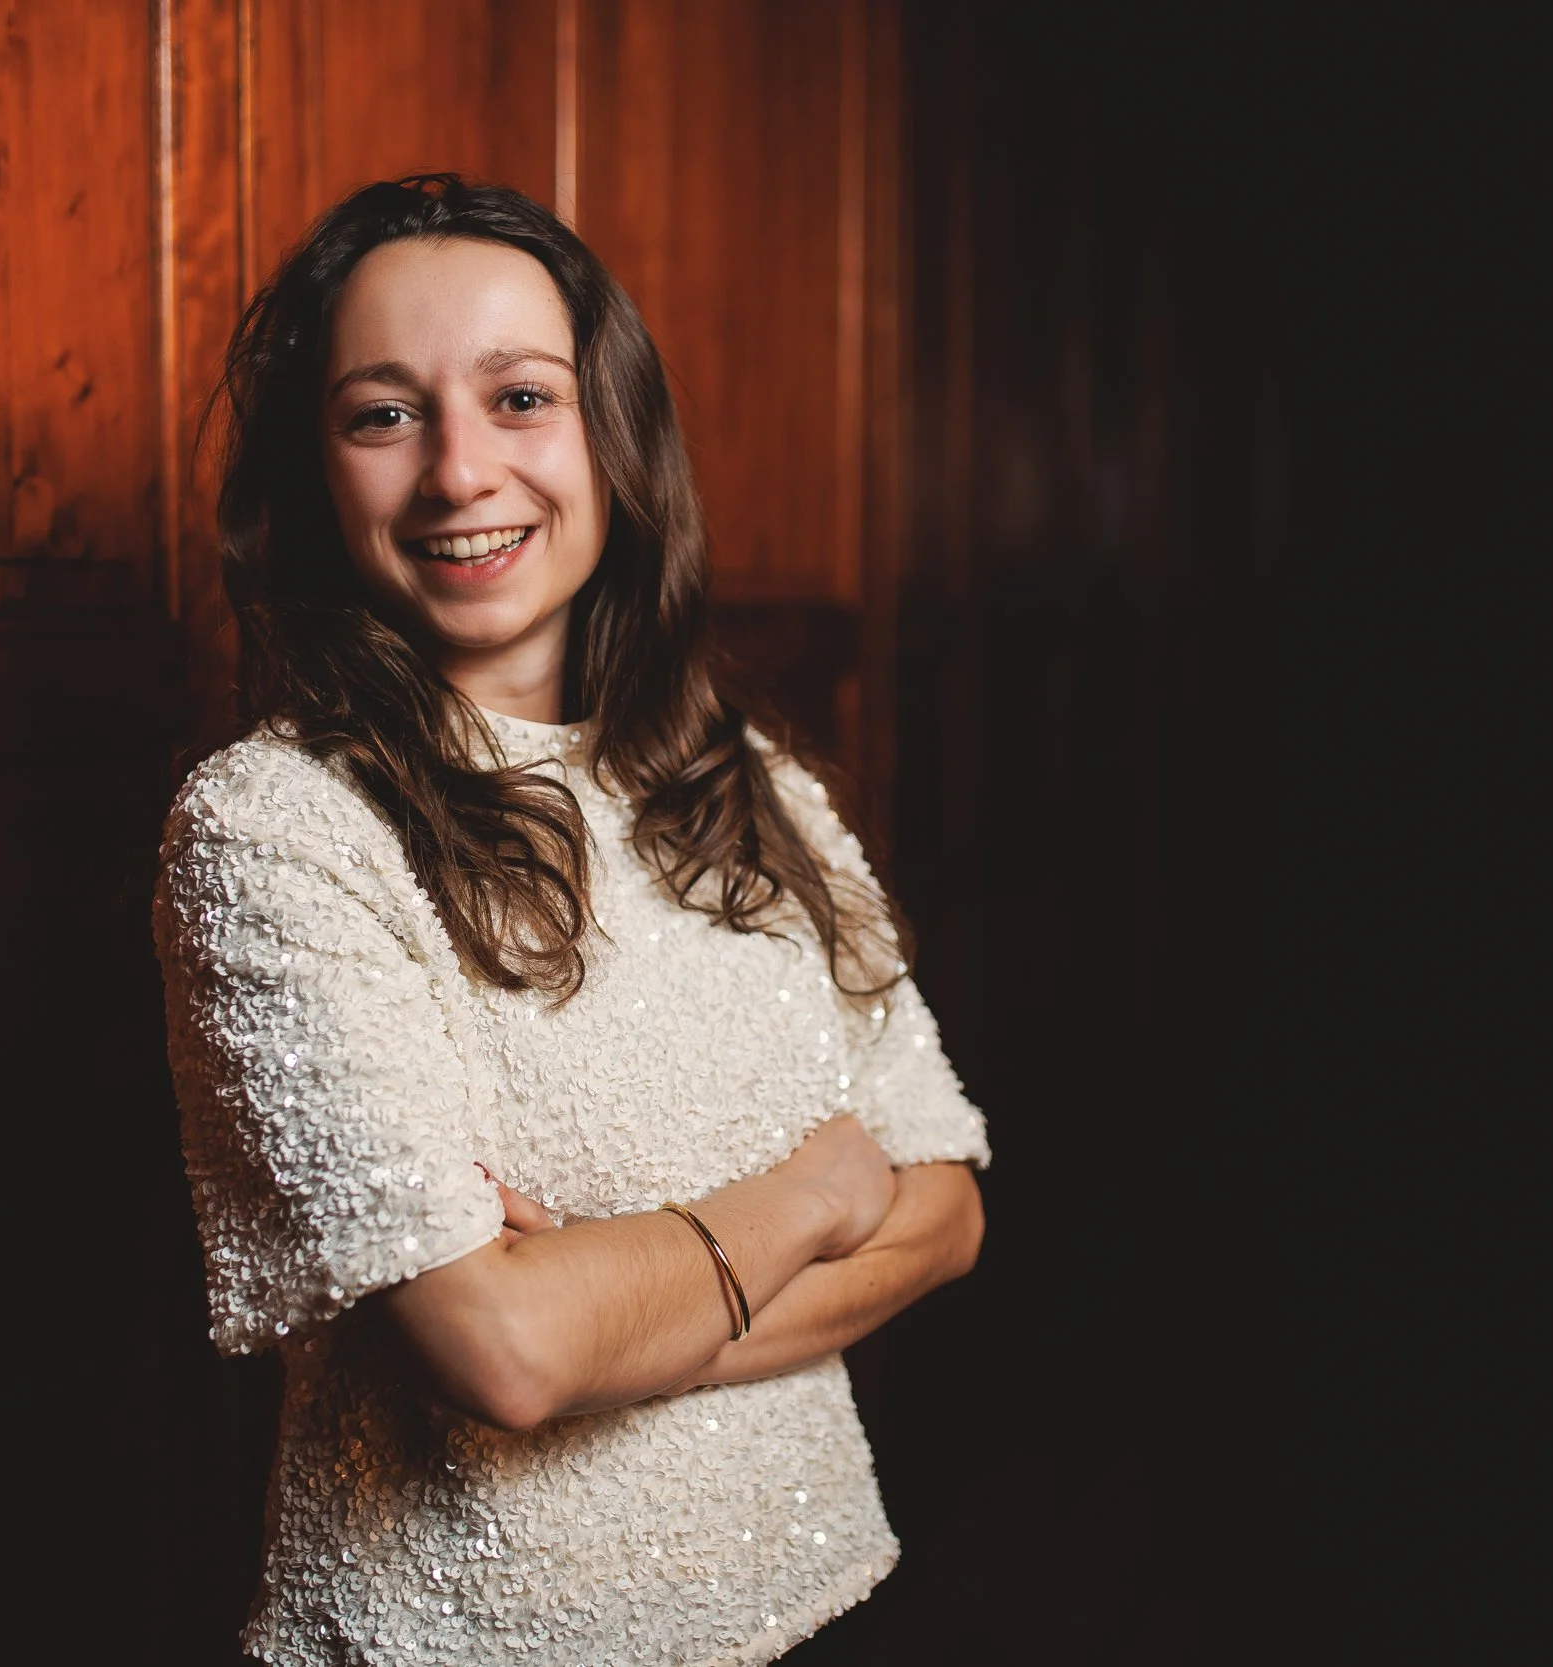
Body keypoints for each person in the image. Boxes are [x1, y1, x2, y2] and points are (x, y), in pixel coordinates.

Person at [154, 174, 989, 1665]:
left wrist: (617, 1298)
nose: (460, 471)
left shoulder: (751, 783)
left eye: (521, 397)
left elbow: (948, 1209)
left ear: (613, 431)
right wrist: (815, 1192)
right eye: (383, 414)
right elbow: (508, 1351)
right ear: (317, 471)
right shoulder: (274, 826)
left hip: (823, 1595)